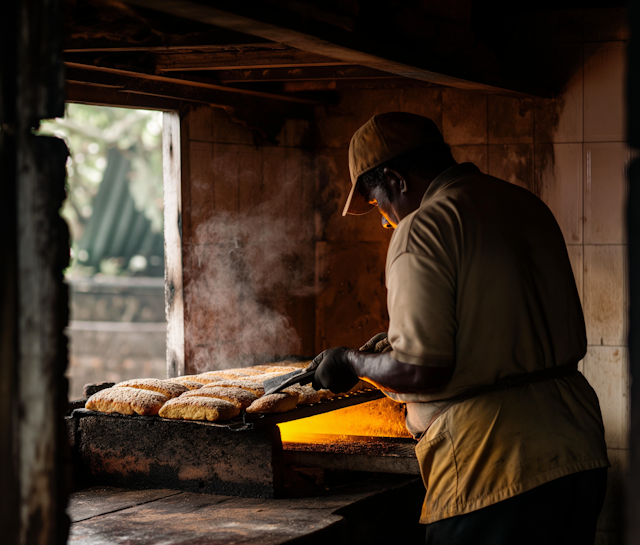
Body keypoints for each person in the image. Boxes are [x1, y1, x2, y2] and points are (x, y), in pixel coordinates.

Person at [310, 112, 610, 544]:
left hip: (494, 469)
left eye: (377, 204)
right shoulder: (523, 203)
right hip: (578, 450)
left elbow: (421, 371)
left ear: (395, 179)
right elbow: (498, 323)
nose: (384, 221)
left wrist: (351, 362)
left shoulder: (423, 228)